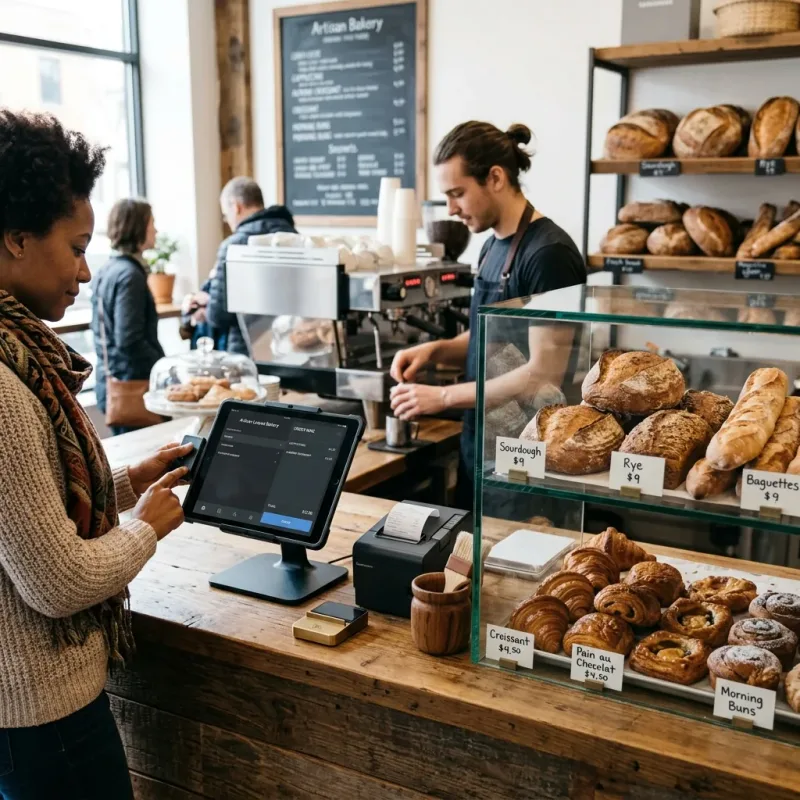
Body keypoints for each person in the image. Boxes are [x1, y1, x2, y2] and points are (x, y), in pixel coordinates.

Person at [0, 109, 193, 799]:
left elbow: (22, 505)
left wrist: (122, 481)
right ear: (17, 240)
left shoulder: (17, 354)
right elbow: (55, 582)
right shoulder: (3, 383)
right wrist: (147, 522)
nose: (86, 270)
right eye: (76, 246)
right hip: (43, 719)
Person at [390, 121, 587, 508]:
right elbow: (494, 338)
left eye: (457, 193)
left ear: (495, 177)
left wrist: (444, 396)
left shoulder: (549, 255)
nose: (451, 209)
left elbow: (543, 373)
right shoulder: (492, 247)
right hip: (483, 446)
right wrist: (438, 349)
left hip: (529, 456)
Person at [91, 198, 165, 435]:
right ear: (137, 228)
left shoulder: (108, 269)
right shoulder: (130, 275)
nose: (155, 230)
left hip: (113, 381)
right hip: (133, 387)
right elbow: (128, 339)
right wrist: (161, 363)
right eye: (151, 223)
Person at [206, 177, 297, 355]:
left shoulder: (233, 247)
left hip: (247, 350)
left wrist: (206, 303)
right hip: (288, 346)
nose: (228, 221)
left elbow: (218, 316)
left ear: (236, 206)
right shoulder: (293, 237)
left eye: (226, 215)